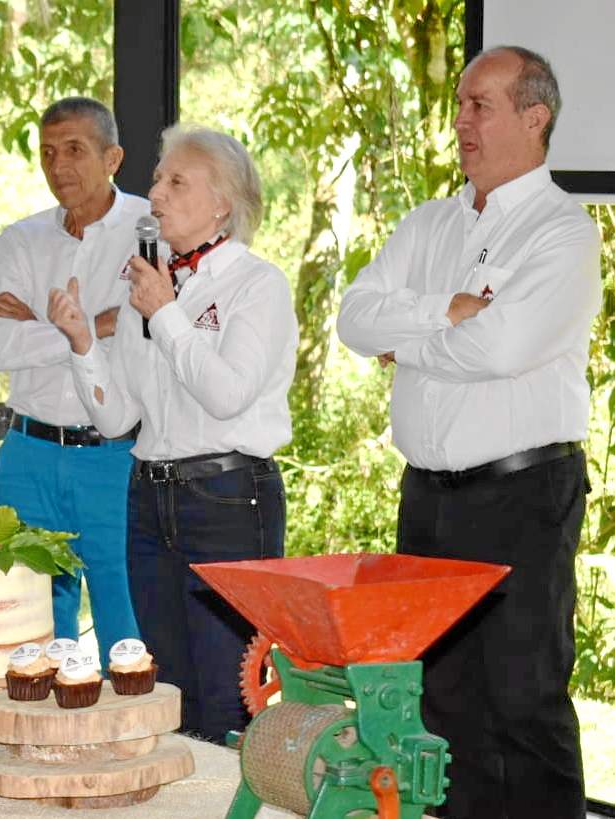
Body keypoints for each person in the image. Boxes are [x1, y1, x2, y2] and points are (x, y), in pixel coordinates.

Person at [336, 46, 598, 819]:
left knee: (522, 701)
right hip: (428, 497)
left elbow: (503, 348)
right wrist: (445, 312)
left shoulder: (563, 232)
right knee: (440, 699)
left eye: (480, 105)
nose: (461, 121)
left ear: (534, 117)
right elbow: (355, 318)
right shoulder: (427, 223)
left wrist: (410, 337)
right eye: (459, 105)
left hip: (522, 496)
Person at [48, 125, 296, 741]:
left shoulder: (255, 284)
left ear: (223, 203)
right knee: (166, 693)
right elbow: (118, 419)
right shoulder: (149, 288)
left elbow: (228, 393)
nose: (154, 192)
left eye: (175, 180)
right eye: (157, 178)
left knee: (229, 695)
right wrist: (83, 344)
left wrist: (166, 313)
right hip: (148, 496)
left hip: (229, 499)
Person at [0, 97, 143, 661]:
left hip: (116, 456)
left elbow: (145, 328)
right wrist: (92, 325)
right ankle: (38, 739)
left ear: (113, 156)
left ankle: (133, 738)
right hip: (30, 454)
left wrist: (40, 323)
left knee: (127, 624)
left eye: (74, 150)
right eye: (47, 153)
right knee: (29, 628)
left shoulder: (151, 231)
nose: (58, 166)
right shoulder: (18, 242)